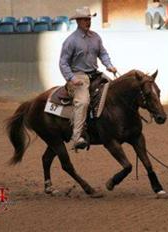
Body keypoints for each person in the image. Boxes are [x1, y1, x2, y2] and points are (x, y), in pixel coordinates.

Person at [59, 6, 117, 149]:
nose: (88, 21)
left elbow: (102, 53)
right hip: (79, 76)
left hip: (95, 74)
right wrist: (72, 78)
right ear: (78, 21)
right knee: (83, 102)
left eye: (89, 19)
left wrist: (109, 65)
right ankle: (77, 136)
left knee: (115, 90)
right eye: (85, 19)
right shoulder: (70, 41)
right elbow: (63, 63)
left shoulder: (96, 37)